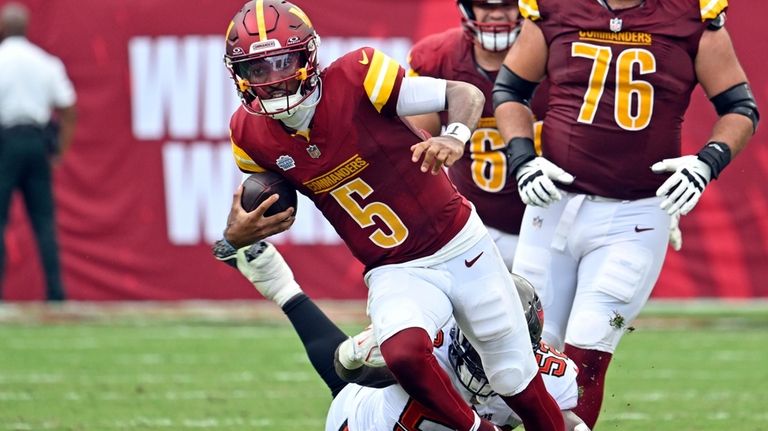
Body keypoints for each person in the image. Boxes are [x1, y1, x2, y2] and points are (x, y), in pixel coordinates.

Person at [219, 1, 565, 430]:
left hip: (459, 243)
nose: (272, 79)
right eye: (257, 69)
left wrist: (455, 137)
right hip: (393, 267)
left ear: (308, 56)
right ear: (239, 74)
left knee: (514, 377)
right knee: (402, 352)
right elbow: (259, 208)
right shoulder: (247, 135)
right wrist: (233, 240)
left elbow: (465, 94)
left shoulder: (357, 74)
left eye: (283, 62)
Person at [493, 0, 758, 428]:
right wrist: (523, 158)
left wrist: (707, 162)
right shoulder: (555, 8)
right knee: (522, 349)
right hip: (554, 207)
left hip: (636, 215)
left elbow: (740, 107)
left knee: (588, 349)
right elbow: (510, 90)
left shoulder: (692, 14)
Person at [214, 239, 590, 431]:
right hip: (367, 426)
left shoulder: (550, 375)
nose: (489, 361)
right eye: (481, 346)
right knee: (345, 385)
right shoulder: (428, 342)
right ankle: (280, 284)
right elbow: (349, 369)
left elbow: (564, 420)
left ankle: (277, 281)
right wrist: (360, 358)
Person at [406, 0, 527, 269]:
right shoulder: (438, 57)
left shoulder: (551, 53)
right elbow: (415, 144)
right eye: (484, 4)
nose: (496, 14)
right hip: (475, 223)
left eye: (507, 4)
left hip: (548, 223)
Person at [0, 2, 77, 301]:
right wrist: (59, 150)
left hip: (6, 142)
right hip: (36, 142)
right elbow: (68, 108)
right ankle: (56, 293)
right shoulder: (45, 62)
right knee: (44, 221)